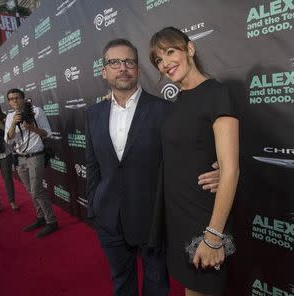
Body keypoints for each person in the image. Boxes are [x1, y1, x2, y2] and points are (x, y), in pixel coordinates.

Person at [85, 39, 220, 296]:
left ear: (137, 69)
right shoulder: (93, 114)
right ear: (104, 71)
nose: (122, 67)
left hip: (153, 219)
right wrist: (94, 207)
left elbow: (189, 153)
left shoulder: (164, 110)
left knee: (156, 284)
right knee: (120, 282)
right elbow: (93, 166)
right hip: (108, 218)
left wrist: (220, 168)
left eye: (129, 62)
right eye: (114, 62)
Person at [149, 27, 240, 296]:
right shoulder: (178, 101)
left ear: (190, 49)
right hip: (178, 215)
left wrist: (213, 236)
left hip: (204, 218)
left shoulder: (216, 93)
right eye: (158, 59)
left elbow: (231, 169)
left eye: (170, 51)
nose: (165, 63)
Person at [4, 88, 58, 238]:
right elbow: (8, 139)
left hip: (36, 156)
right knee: (30, 190)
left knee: (36, 190)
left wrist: (32, 128)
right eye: (11, 99)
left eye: (17, 98)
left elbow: (48, 133)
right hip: (20, 157)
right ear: (9, 102)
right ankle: (40, 217)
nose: (14, 101)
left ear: (23, 98)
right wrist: (14, 124)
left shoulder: (36, 111)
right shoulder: (10, 116)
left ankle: (51, 221)